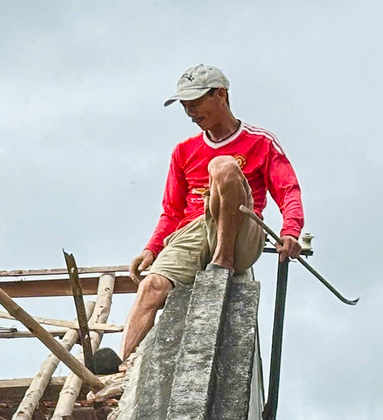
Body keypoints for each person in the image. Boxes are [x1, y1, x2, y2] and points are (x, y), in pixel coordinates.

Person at [120, 65, 305, 364]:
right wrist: (151, 248)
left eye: (196, 103)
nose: (191, 112)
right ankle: (122, 367)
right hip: (194, 230)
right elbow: (171, 210)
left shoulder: (260, 141)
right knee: (151, 286)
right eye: (185, 106)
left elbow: (288, 191)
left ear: (221, 95)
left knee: (223, 166)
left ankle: (223, 259)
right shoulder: (184, 151)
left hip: (241, 230)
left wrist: (291, 231)